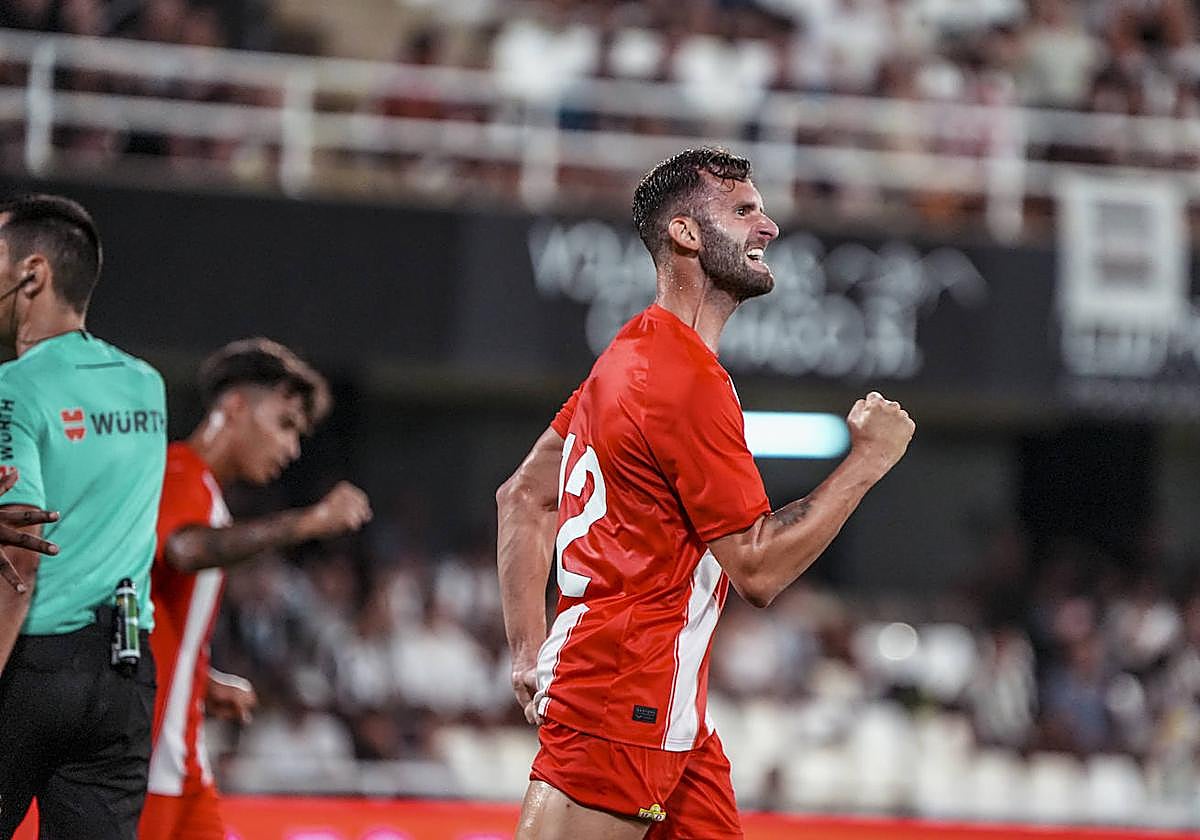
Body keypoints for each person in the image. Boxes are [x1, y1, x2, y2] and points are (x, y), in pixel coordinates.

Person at [496, 147, 916, 839]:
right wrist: (867, 461)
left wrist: (526, 652)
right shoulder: (683, 378)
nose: (769, 226)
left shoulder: (626, 357)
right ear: (686, 234)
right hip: (620, 694)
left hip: (664, 707)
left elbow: (522, 496)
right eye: (745, 210)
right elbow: (757, 567)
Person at [138, 337, 372, 840]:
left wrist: (202, 681)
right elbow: (184, 551)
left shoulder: (204, 492)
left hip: (182, 750)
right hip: (150, 753)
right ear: (235, 404)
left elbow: (156, 607)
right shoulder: (179, 473)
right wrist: (307, 523)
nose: (291, 449)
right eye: (285, 425)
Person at [0, 194, 168, 840]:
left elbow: (19, 550)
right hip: (124, 676)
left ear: (32, 275)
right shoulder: (146, 387)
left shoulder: (17, 387)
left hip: (33, 664)